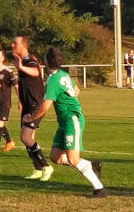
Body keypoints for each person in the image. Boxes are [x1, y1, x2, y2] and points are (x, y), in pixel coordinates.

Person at [27, 48, 107, 197]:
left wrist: (31, 118)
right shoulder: (63, 74)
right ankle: (90, 165)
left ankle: (99, 188)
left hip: (72, 119)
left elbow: (45, 106)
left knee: (73, 159)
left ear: (47, 61)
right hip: (64, 122)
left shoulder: (53, 80)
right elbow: (76, 91)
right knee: (55, 157)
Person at [11, 35, 51, 178]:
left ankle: (46, 166)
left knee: (26, 137)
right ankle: (38, 169)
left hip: (36, 104)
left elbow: (35, 72)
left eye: (15, 43)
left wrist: (21, 67)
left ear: (24, 46)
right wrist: (20, 100)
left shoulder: (30, 60)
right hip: (27, 104)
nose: (12, 45)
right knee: (28, 138)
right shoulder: (21, 61)